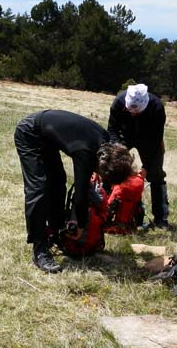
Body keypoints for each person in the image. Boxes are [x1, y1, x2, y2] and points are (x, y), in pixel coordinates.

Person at [14, 109, 134, 273]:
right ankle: (39, 249)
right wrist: (80, 225)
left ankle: (55, 232)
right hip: (29, 133)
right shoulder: (85, 152)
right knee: (38, 188)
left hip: (47, 137)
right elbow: (80, 192)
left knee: (58, 181)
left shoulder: (107, 146)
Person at [107, 83, 170, 229]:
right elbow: (112, 130)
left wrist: (146, 167)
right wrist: (119, 152)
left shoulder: (157, 107)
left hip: (149, 139)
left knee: (156, 175)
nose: (133, 114)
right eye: (130, 111)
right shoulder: (118, 102)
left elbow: (156, 140)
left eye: (137, 112)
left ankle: (160, 219)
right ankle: (106, 210)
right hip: (124, 137)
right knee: (111, 169)